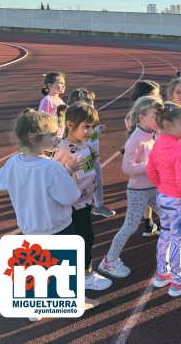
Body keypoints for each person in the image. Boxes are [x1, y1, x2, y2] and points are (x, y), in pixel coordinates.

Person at [0, 109, 100, 316]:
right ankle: (76, 298)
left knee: (35, 266)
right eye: (52, 135)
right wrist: (68, 173)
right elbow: (69, 197)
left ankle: (35, 306)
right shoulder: (51, 167)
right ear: (34, 139)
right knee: (69, 264)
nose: (57, 138)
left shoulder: (14, 162)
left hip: (30, 227)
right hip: (57, 225)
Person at [98, 96, 162, 278]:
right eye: (155, 115)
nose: (159, 119)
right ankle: (109, 261)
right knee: (130, 226)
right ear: (141, 117)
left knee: (168, 216)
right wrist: (152, 166)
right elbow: (127, 168)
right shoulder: (136, 139)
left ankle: (178, 244)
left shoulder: (152, 135)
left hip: (153, 188)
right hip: (138, 191)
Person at [52, 102, 113, 292]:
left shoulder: (82, 145)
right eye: (86, 126)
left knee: (87, 238)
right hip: (72, 206)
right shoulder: (63, 149)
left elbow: (85, 172)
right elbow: (52, 176)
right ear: (70, 124)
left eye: (92, 127)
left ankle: (82, 272)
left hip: (85, 202)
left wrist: (91, 157)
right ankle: (83, 276)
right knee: (81, 239)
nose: (90, 131)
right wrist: (68, 168)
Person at [146, 102, 181, 297]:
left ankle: (163, 273)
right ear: (167, 126)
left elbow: (150, 170)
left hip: (163, 197)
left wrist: (161, 186)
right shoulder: (179, 150)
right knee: (178, 240)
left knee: (165, 235)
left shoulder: (157, 143)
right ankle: (178, 281)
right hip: (178, 201)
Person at [67, 88, 115, 218]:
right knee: (82, 184)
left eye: (92, 102)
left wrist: (96, 130)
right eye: (87, 103)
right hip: (82, 159)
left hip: (94, 158)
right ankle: (76, 209)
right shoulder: (74, 122)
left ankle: (99, 206)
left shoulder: (90, 118)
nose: (91, 105)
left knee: (97, 182)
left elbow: (89, 135)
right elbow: (75, 140)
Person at [123, 79, 161, 237]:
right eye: (154, 96)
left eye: (158, 95)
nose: (158, 99)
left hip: (149, 161)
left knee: (151, 193)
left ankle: (149, 222)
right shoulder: (139, 118)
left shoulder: (151, 114)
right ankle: (149, 222)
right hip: (145, 162)